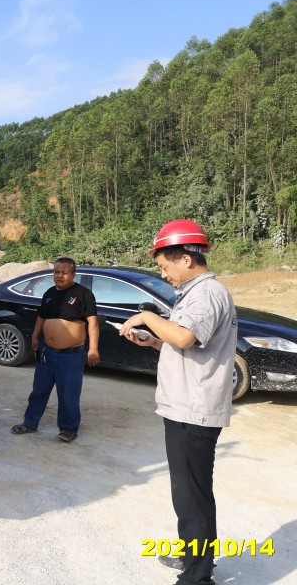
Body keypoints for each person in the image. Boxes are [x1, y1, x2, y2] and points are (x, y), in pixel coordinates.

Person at [119, 219, 236, 585]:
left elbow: (185, 337)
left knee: (191, 497)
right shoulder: (198, 293)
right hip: (187, 406)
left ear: (186, 258)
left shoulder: (206, 293)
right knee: (188, 493)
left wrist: (147, 317)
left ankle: (197, 578)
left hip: (193, 410)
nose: (163, 273)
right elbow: (189, 343)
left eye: (164, 265)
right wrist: (155, 341)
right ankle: (193, 557)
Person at [11, 257, 100, 442]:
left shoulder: (83, 294)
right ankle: (30, 423)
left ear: (73, 274)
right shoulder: (50, 293)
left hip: (71, 356)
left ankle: (68, 429)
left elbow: (92, 323)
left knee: (68, 394)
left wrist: (93, 348)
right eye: (56, 272)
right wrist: (35, 336)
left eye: (64, 272)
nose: (59, 276)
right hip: (47, 352)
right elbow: (41, 317)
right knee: (39, 390)